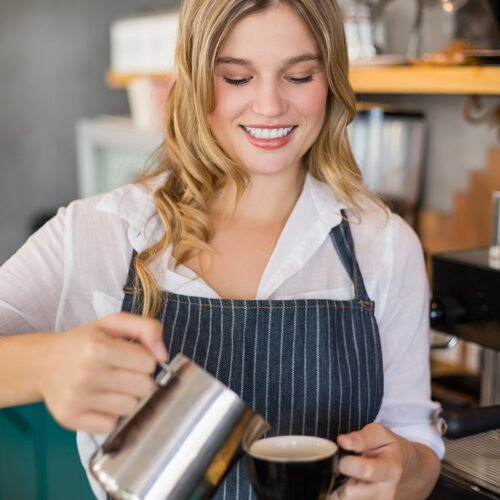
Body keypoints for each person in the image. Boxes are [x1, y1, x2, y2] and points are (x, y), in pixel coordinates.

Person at [0, 0, 444, 498]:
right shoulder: (99, 232)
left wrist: (403, 471)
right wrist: (44, 364)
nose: (271, 105)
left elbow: (418, 445)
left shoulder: (383, 246)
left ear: (331, 80)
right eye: (236, 78)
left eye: (299, 76)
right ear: (194, 80)